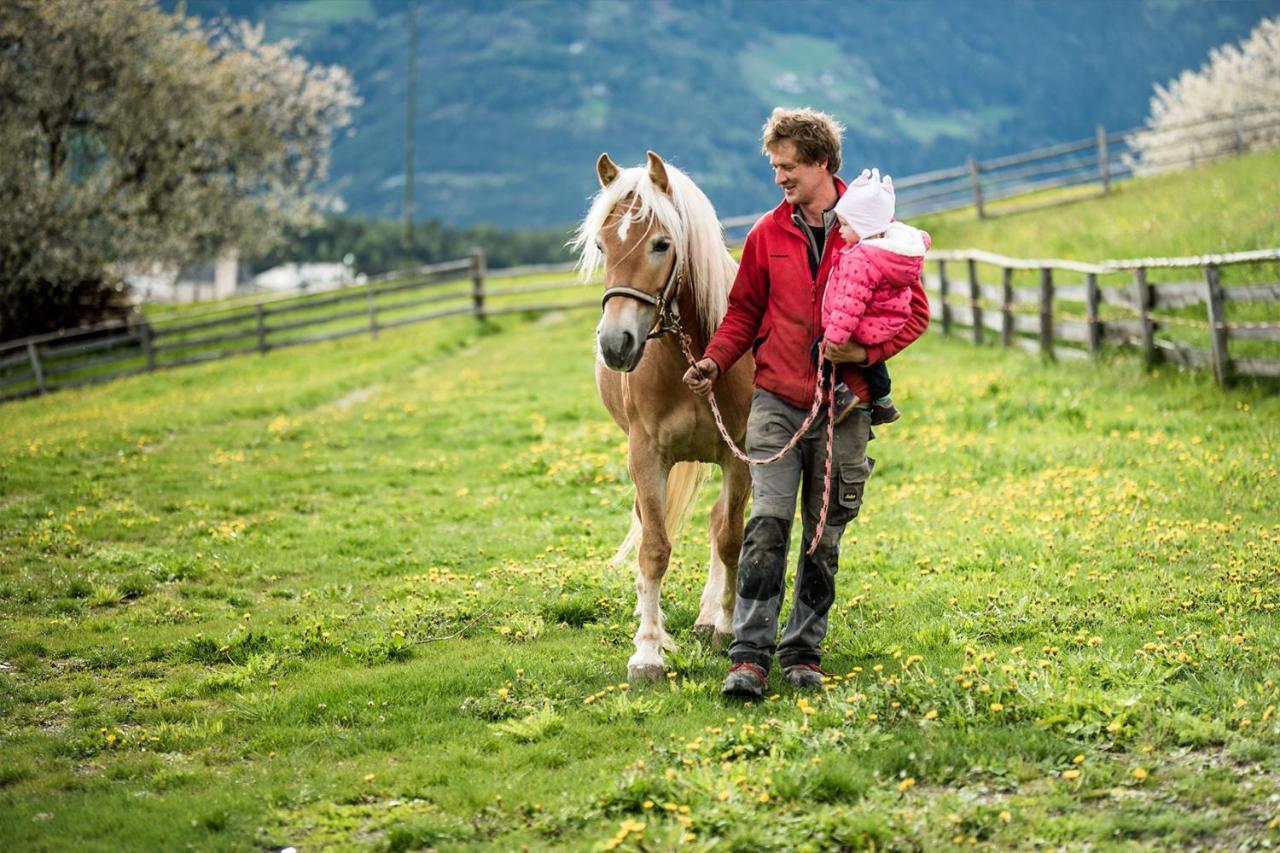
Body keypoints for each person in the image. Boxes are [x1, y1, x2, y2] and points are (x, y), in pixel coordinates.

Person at [682, 107, 930, 697]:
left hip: (846, 408)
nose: (779, 178)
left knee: (824, 539)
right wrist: (716, 359)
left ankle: (802, 652)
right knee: (766, 526)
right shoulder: (768, 234)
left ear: (822, 162)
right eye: (775, 167)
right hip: (777, 402)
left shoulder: (878, 231)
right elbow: (743, 310)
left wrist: (865, 360)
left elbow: (916, 313)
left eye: (788, 166)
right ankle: (748, 655)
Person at [823, 167, 932, 427]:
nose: (840, 230)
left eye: (846, 225)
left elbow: (850, 302)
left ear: (863, 227)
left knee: (819, 350)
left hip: (863, 326)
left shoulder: (860, 259)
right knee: (873, 364)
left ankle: (838, 393)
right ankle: (883, 399)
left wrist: (834, 339)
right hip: (887, 323)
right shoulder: (894, 252)